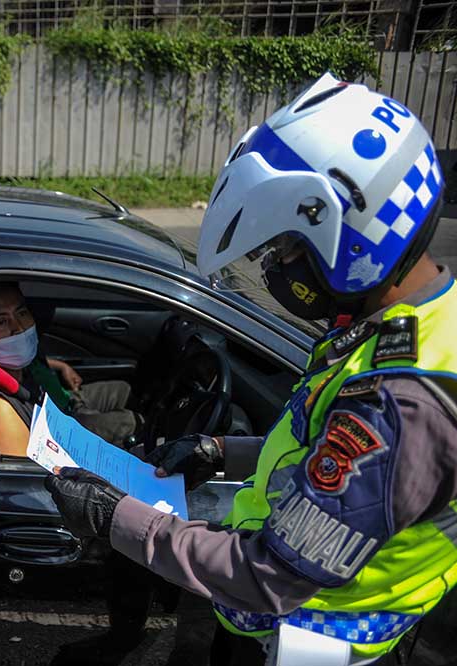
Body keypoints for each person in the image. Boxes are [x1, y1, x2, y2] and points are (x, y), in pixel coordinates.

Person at [45, 72, 457, 665]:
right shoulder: (417, 323)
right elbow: (325, 452)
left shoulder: (401, 403)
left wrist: (116, 519)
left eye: (286, 251)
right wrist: (222, 450)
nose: (273, 267)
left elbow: (270, 574)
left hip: (307, 644)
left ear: (352, 243)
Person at [0, 281, 139, 457]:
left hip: (64, 400)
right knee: (132, 421)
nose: (19, 328)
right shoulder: (0, 400)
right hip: (61, 427)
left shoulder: (24, 357)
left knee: (126, 389)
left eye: (22, 313)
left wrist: (61, 366)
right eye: (0, 322)